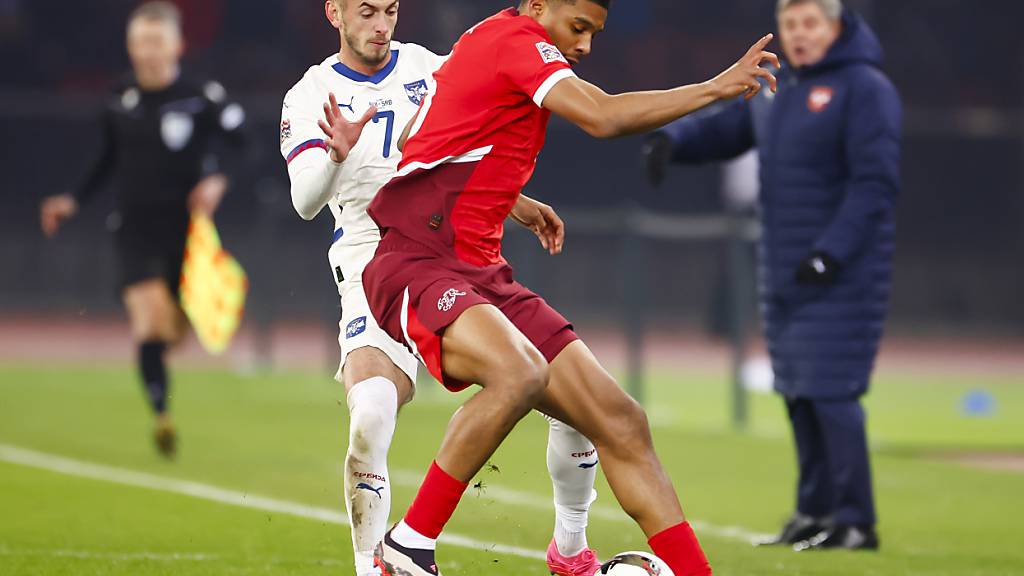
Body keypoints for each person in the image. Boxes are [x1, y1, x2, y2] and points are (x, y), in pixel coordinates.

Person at [331, 0, 779, 574]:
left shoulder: (493, 41)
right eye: (578, 27)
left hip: (481, 271)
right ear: (539, 7)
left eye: (595, 32)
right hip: (417, 263)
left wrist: (508, 199)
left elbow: (433, 138)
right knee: (520, 373)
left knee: (621, 421)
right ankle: (408, 547)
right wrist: (716, 87)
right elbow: (603, 116)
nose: (586, 44)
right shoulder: (514, 40)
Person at [279, 2, 603, 574]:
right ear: (334, 13)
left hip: (453, 253)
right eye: (366, 11)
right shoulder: (309, 95)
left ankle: (572, 551)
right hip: (370, 259)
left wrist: (516, 202)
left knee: (572, 398)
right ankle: (375, 566)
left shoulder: (430, 67)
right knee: (371, 413)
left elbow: (463, 150)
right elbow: (305, 202)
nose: (381, 25)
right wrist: (335, 155)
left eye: (390, 10)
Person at [645, 0, 900, 552]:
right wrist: (675, 140)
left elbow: (874, 186)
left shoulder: (865, 89)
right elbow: (729, 128)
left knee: (831, 390)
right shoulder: (778, 89)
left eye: (811, 23)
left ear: (837, 26)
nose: (799, 34)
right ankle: (815, 510)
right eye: (790, 24)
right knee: (798, 390)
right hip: (784, 265)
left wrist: (831, 253)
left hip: (843, 272)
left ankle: (856, 519)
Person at [39, 1, 245, 458]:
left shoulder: (201, 96)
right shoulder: (119, 98)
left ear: (177, 45)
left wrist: (219, 180)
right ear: (130, 47)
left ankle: (161, 370)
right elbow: (106, 158)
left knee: (172, 332)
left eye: (156, 41)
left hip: (187, 236)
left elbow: (244, 147)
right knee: (150, 323)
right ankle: (161, 415)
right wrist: (73, 200)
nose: (148, 51)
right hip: (134, 230)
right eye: (140, 42)